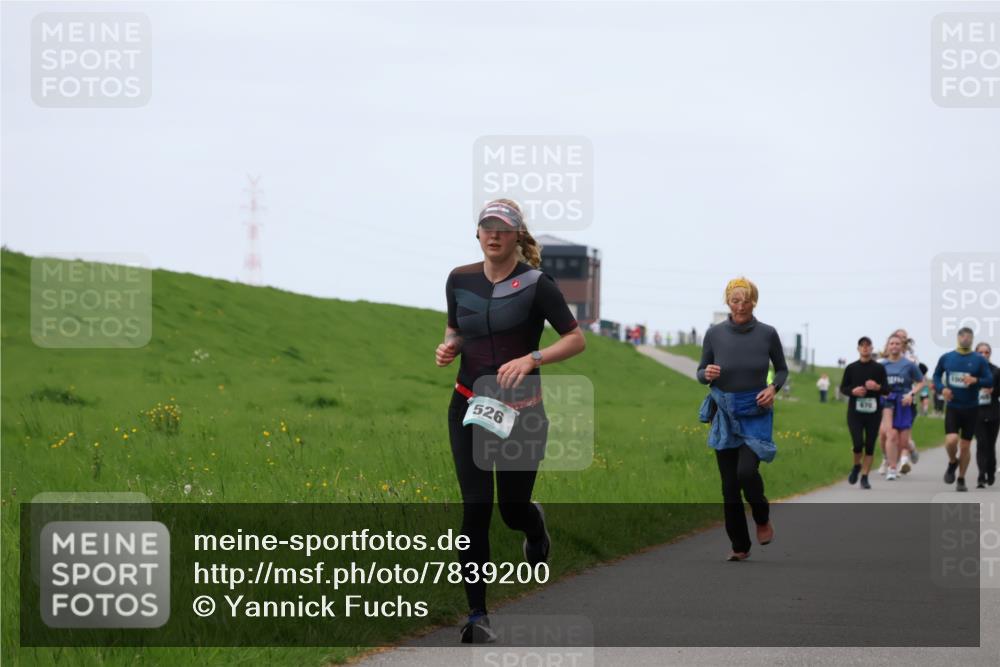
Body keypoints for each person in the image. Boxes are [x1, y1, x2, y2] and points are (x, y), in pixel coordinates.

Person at [436, 198, 586, 642]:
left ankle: (534, 526)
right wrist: (450, 347)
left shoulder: (537, 284)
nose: (493, 234)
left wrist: (532, 358)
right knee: (476, 507)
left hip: (523, 412)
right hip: (468, 406)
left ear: (517, 234)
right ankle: (477, 616)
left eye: (502, 228)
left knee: (511, 508)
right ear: (477, 233)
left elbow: (576, 340)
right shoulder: (459, 279)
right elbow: (456, 328)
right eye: (487, 226)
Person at [697, 277, 787, 561]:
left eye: (746, 300)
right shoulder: (714, 334)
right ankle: (740, 545)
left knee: (746, 472)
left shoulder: (768, 333)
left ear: (754, 302)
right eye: (735, 300)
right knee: (729, 486)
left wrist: (773, 388)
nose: (740, 305)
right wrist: (706, 374)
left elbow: (782, 370)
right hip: (724, 410)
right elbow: (701, 371)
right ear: (728, 302)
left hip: (756, 410)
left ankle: (761, 517)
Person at [933, 327, 994, 492]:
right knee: (951, 440)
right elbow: (936, 376)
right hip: (953, 407)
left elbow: (989, 380)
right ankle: (952, 461)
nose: (965, 339)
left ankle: (961, 479)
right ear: (958, 338)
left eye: (969, 337)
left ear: (972, 339)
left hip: (972, 408)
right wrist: (942, 389)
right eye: (963, 336)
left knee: (965, 446)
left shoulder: (979, 360)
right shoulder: (947, 358)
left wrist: (975, 380)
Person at [839, 336, 890, 489]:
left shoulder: (879, 369)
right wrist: (853, 391)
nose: (865, 348)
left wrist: (876, 387)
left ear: (872, 348)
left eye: (868, 345)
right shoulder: (851, 368)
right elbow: (843, 388)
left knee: (869, 445)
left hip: (873, 413)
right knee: (857, 444)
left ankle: (865, 477)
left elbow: (887, 390)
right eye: (862, 345)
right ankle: (856, 466)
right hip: (855, 413)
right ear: (858, 349)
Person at [877, 334, 925, 480]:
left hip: (903, 401)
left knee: (903, 441)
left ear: (902, 347)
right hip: (887, 401)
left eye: (897, 344)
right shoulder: (881, 365)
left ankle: (910, 449)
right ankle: (892, 468)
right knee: (891, 434)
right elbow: (875, 383)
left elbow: (921, 382)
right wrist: (880, 390)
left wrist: (911, 394)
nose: (894, 346)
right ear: (887, 346)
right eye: (891, 343)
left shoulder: (909, 365)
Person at [975, 342, 999, 488]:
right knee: (981, 443)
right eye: (981, 352)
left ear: (990, 354)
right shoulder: (971, 371)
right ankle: (981, 475)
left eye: (986, 352)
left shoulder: (996, 371)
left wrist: (993, 391)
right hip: (976, 412)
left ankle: (991, 470)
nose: (984, 355)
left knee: (990, 444)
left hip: (993, 411)